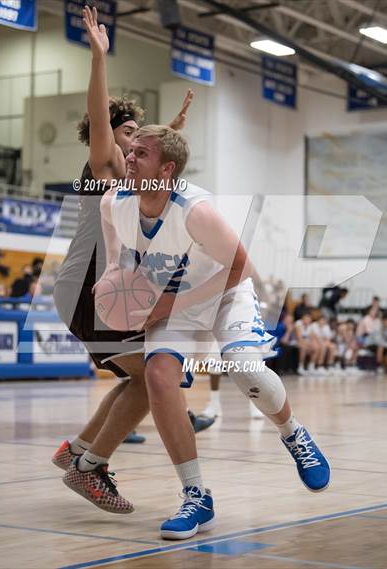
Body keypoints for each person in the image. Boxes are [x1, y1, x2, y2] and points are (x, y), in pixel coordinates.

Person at [63, 122, 330, 541]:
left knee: (244, 370)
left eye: (140, 154)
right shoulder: (115, 201)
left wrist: (170, 304)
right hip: (172, 296)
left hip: (224, 290)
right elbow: (117, 256)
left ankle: (292, 433)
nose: (128, 158)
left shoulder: (195, 211)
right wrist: (114, 280)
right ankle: (195, 496)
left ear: (166, 170)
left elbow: (243, 267)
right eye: (130, 151)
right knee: (156, 378)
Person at [52, 5, 210, 500]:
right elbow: (103, 120)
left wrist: (172, 128)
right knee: (155, 379)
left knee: (148, 373)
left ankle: (76, 450)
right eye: (130, 136)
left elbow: (133, 138)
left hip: (99, 290)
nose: (136, 143)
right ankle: (88, 466)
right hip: (87, 290)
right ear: (111, 140)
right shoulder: (103, 166)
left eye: (141, 140)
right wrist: (99, 58)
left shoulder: (132, 175)